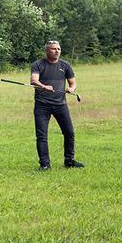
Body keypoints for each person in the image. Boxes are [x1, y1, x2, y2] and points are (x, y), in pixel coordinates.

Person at [30, 40, 84, 171]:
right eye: (53, 49)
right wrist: (44, 86)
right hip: (42, 105)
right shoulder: (38, 64)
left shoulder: (65, 65)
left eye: (58, 49)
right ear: (47, 51)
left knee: (69, 132)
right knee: (42, 135)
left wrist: (71, 89)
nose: (57, 51)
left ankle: (69, 161)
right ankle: (45, 164)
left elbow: (72, 83)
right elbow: (33, 80)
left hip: (60, 104)